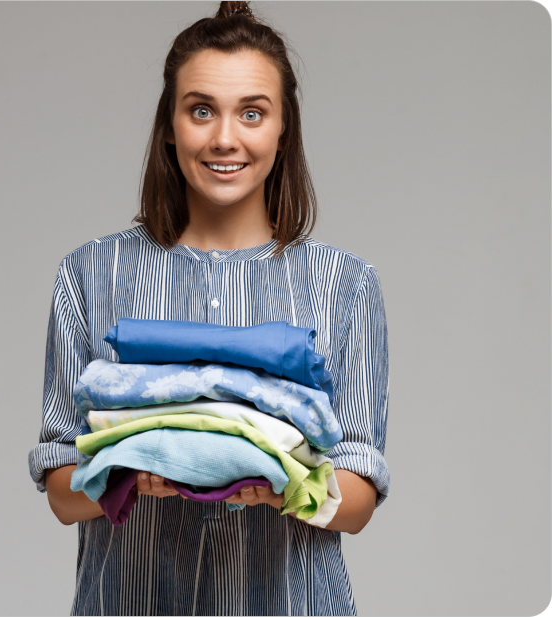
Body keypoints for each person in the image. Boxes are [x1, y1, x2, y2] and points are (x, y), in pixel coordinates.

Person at [29, 2, 389, 614]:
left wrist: (281, 484)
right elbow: (62, 489)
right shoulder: (91, 274)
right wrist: (131, 468)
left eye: (252, 113)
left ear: (283, 129)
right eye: (201, 110)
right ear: (170, 124)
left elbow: (357, 492)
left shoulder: (346, 284)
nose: (225, 138)